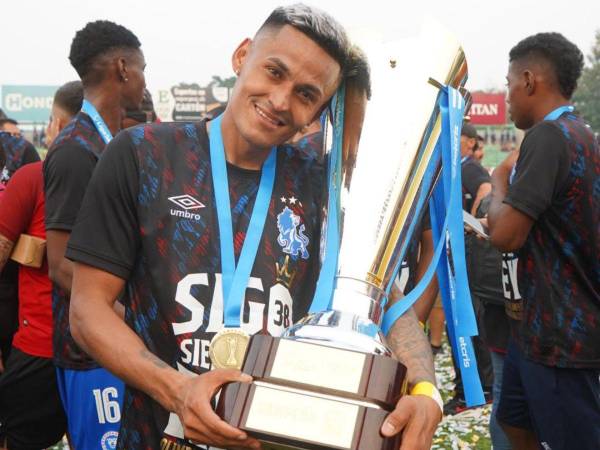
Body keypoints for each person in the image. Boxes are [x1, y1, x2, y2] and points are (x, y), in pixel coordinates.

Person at [66, 5, 442, 449]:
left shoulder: (322, 185)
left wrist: (424, 390)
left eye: (306, 94)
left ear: (318, 112)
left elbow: (384, 302)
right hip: (157, 435)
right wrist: (178, 391)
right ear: (242, 56)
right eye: (274, 71)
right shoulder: (144, 155)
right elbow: (87, 311)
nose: (281, 100)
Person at [489, 32, 600, 450]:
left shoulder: (549, 137)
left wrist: (499, 183)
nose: (507, 96)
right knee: (514, 420)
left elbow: (504, 235)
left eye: (508, 83)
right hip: (536, 327)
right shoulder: (580, 133)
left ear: (530, 81)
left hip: (561, 335)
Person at [43, 21, 146, 449]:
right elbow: (63, 267)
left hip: (115, 347)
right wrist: (140, 325)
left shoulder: (112, 145)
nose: (145, 79)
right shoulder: (74, 150)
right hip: (92, 354)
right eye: (143, 68)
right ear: (122, 69)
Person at [0, 80, 83, 450]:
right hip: (92, 352)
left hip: (56, 353)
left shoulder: (33, 177)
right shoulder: (33, 179)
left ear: (58, 125)